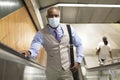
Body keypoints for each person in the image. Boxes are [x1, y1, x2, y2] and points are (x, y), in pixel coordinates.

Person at [20, 7, 83, 80]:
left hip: (67, 70)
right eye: (51, 16)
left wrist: (78, 60)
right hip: (52, 71)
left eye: (56, 15)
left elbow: (79, 44)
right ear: (47, 17)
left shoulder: (69, 29)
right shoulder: (41, 33)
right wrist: (28, 53)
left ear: (59, 16)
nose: (54, 18)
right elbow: (34, 49)